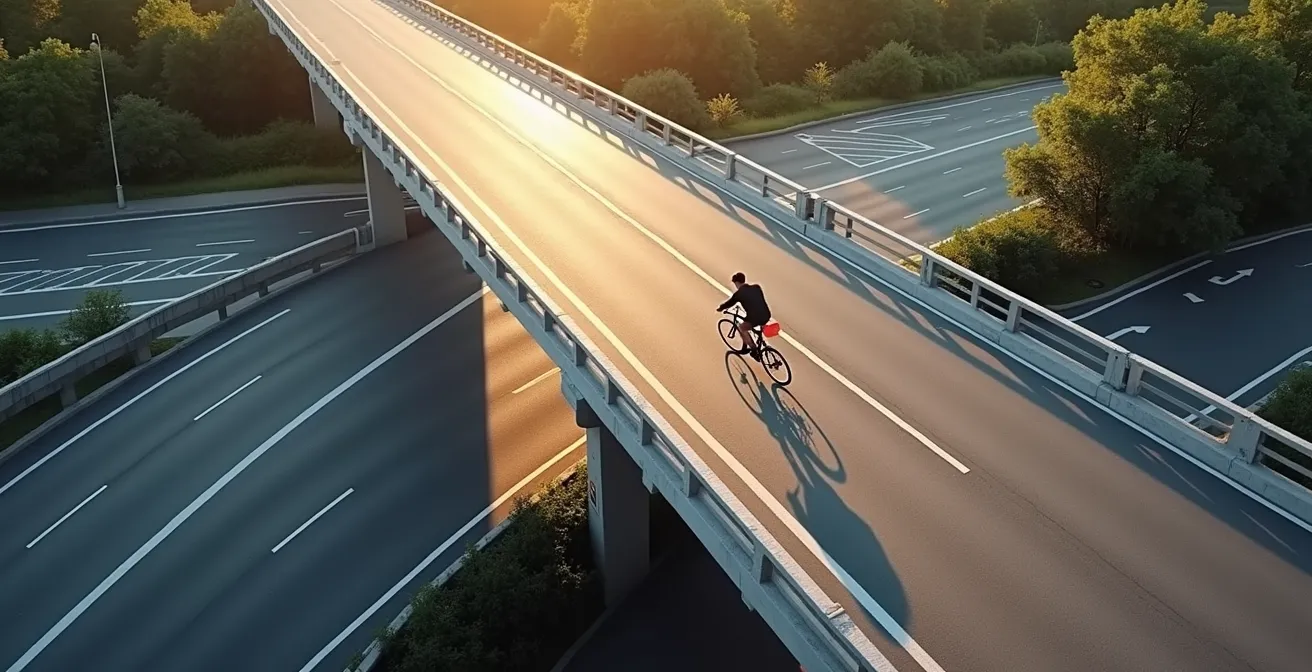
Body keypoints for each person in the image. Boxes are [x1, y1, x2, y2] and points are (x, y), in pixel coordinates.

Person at [717, 272, 772, 359]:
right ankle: (757, 344)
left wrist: (720, 308)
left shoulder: (739, 294)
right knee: (757, 326)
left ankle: (754, 350)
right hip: (766, 315)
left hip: (755, 318)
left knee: (742, 328)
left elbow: (729, 303)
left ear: (737, 283)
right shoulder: (757, 287)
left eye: (735, 284)